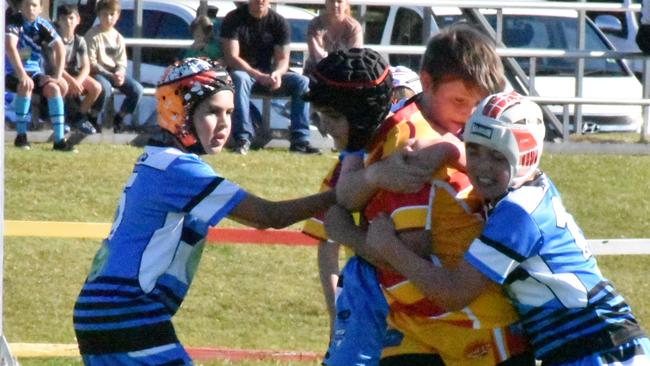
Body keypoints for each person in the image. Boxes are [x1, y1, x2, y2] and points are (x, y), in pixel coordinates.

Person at [72, 57, 336, 365]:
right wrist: (340, 194)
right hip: (126, 309)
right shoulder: (178, 168)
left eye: (230, 112)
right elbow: (268, 216)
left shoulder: (157, 160)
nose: (225, 123)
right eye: (212, 111)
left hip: (103, 308)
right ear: (179, 111)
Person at [366, 91, 650, 366]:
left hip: (598, 349)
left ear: (525, 156)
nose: (481, 167)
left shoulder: (517, 213)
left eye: (497, 157)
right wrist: (447, 149)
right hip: (593, 345)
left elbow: (453, 293)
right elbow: (486, 163)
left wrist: (389, 248)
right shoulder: (527, 187)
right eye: (474, 150)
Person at [326, 24, 534, 365]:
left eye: (479, 104)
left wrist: (348, 232)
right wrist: (360, 193)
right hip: (454, 320)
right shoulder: (410, 134)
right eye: (459, 101)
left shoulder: (466, 134)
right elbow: (410, 248)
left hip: (462, 314)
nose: (469, 113)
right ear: (426, 83)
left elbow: (389, 244)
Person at [301, 47, 394, 338]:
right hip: (368, 300)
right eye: (319, 115)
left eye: (331, 116)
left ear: (364, 114)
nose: (324, 127)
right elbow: (326, 245)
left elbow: (406, 260)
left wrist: (347, 233)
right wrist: (334, 315)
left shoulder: (405, 155)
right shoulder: (350, 161)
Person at [220, 0, 319, 155]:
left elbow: (282, 59)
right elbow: (232, 57)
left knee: (302, 81)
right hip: (244, 73)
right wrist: (257, 75)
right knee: (239, 79)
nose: (260, 1)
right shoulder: (234, 19)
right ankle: (243, 139)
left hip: (268, 74)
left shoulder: (278, 22)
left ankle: (300, 141)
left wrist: (277, 73)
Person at [5, 0, 76, 151]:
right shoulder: (14, 21)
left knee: (54, 89)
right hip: (11, 71)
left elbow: (60, 49)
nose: (30, 8)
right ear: (20, 7)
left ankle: (59, 140)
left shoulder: (42, 24)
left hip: (34, 72)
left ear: (40, 8)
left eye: (34, 5)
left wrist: (56, 76)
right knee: (25, 85)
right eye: (27, 5)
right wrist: (22, 75)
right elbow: (10, 47)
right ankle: (21, 136)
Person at [85, 0, 143, 133]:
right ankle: (92, 117)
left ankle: (119, 118)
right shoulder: (92, 35)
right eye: (105, 14)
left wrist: (120, 73)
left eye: (112, 14)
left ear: (118, 15)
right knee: (104, 88)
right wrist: (110, 75)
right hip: (97, 73)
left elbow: (122, 61)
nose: (109, 18)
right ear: (99, 15)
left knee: (137, 90)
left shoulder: (118, 37)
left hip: (114, 73)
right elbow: (91, 62)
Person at [54, 3, 106, 135]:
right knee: (63, 85)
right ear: (58, 20)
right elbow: (55, 65)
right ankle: (62, 119)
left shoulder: (80, 40)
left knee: (97, 87)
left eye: (71, 18)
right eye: (64, 18)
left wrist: (78, 81)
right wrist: (71, 81)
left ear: (78, 20)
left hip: (74, 74)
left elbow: (86, 66)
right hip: (58, 73)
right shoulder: (54, 39)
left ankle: (78, 118)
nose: (68, 22)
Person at [303, 0, 363, 76]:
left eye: (339, 1)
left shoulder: (353, 27)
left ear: (346, 4)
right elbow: (317, 57)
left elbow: (354, 56)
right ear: (326, 3)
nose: (335, 5)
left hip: (345, 73)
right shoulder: (315, 24)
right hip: (317, 73)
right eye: (331, 1)